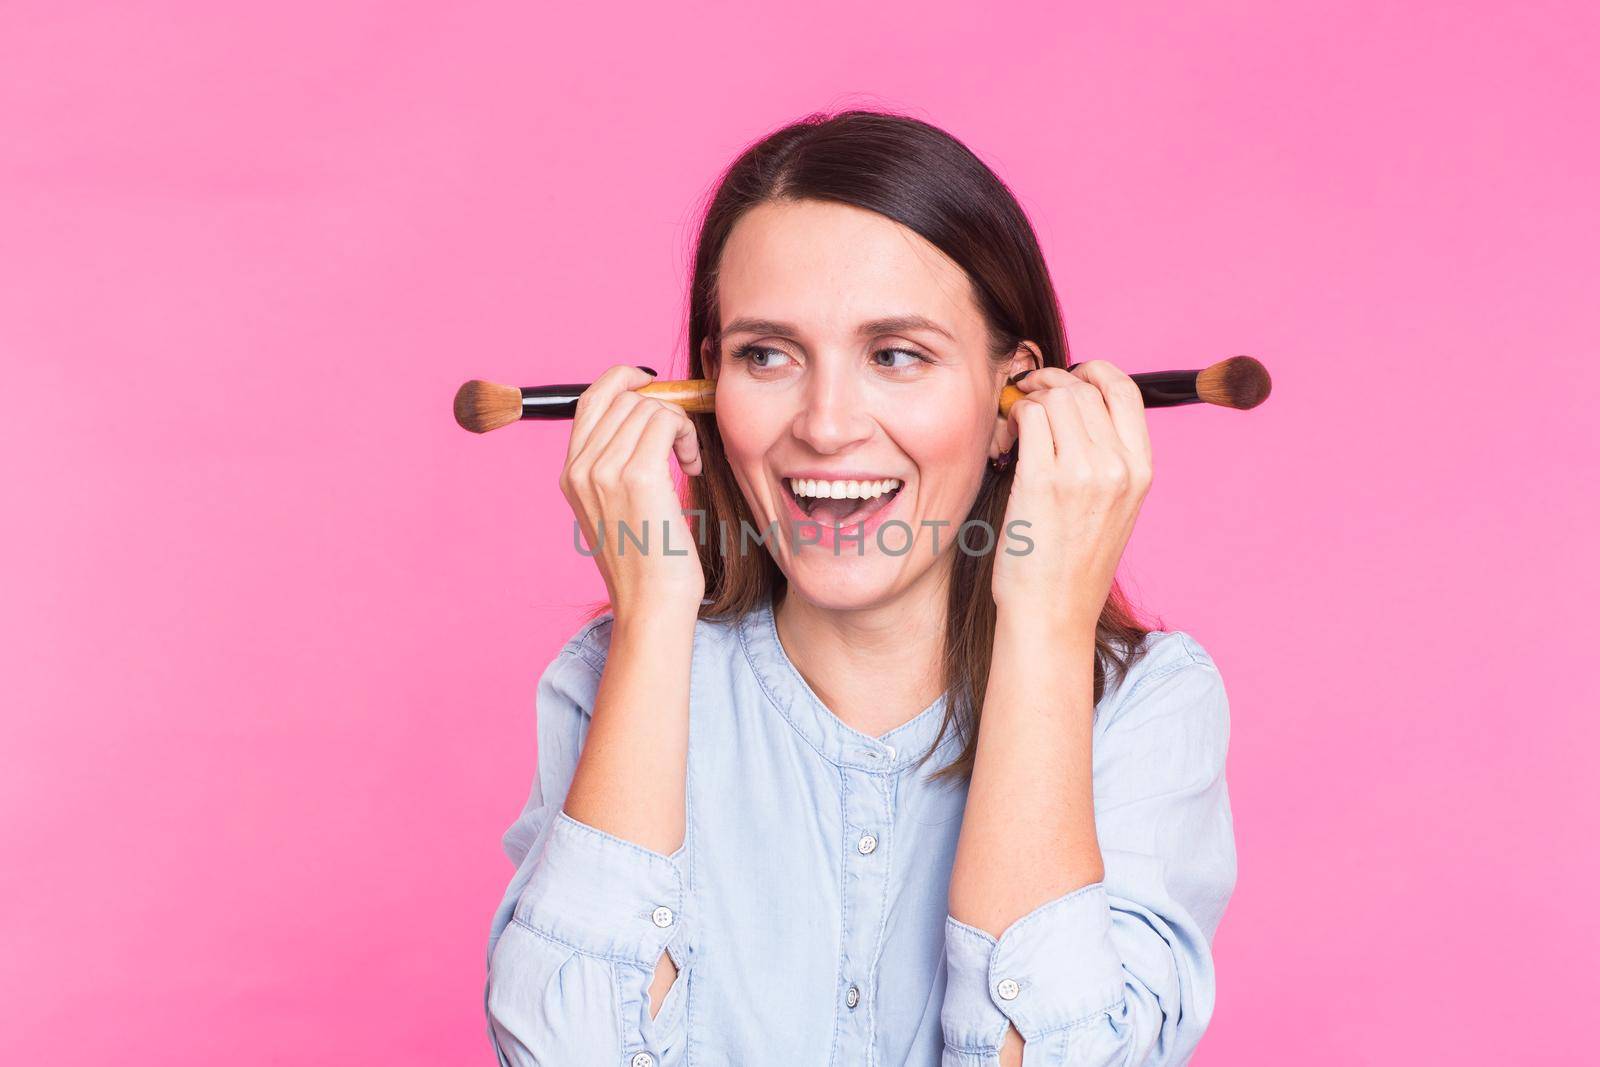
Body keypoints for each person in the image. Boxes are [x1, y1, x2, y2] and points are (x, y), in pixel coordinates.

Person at [484, 110, 1237, 1067]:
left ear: (1017, 401)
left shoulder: (1145, 706)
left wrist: (1046, 625)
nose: (827, 425)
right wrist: (654, 621)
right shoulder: (610, 677)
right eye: (767, 354)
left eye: (896, 355)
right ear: (708, 386)